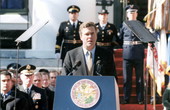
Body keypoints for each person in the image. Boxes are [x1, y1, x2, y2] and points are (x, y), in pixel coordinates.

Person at [119, 5, 145, 104]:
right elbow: (120, 38)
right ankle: (126, 99)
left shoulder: (141, 25)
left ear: (137, 14)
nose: (132, 14)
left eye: (134, 12)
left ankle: (140, 99)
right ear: (127, 14)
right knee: (127, 79)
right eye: (130, 12)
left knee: (139, 79)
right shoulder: (124, 24)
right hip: (127, 54)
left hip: (138, 53)